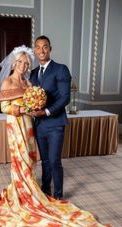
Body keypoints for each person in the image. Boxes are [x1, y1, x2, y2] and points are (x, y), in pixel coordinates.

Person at [29, 35, 71, 200]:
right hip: (39, 125)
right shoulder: (32, 73)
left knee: (54, 161)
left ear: (50, 49)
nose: (41, 50)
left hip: (55, 123)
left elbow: (64, 97)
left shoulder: (61, 69)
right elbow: (29, 96)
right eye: (38, 47)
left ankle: (59, 197)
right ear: (34, 50)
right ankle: (46, 191)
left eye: (45, 46)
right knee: (45, 161)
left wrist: (46, 112)